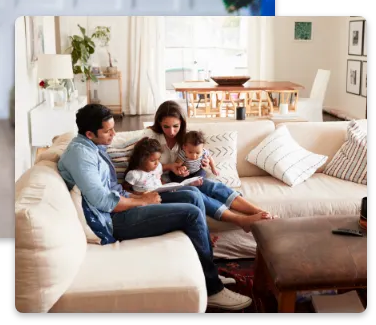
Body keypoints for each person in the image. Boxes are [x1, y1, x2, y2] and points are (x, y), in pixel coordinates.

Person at [57, 104, 253, 310]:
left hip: (124, 201)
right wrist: (141, 201)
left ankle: (208, 272)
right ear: (89, 133)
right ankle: (213, 289)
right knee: (192, 214)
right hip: (112, 220)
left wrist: (138, 195)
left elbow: (112, 189)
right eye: (107, 131)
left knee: (193, 194)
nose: (114, 134)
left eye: (113, 128)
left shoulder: (93, 145)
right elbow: (103, 201)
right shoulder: (81, 155)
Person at [150, 100, 276, 232]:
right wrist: (170, 166)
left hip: (186, 179)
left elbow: (200, 155)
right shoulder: (152, 139)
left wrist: (202, 163)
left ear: (182, 122)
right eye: (166, 127)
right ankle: (241, 221)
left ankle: (261, 212)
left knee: (212, 186)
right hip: (164, 185)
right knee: (196, 194)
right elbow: (144, 167)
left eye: (176, 126)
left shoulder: (186, 138)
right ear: (159, 123)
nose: (171, 131)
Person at [124, 137, 202, 193]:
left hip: (162, 193)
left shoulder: (158, 167)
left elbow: (158, 180)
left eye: (158, 159)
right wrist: (138, 195)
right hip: (149, 200)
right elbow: (125, 189)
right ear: (141, 159)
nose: (157, 163)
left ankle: (190, 185)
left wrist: (168, 186)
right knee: (191, 194)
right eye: (153, 160)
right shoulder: (134, 174)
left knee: (193, 190)